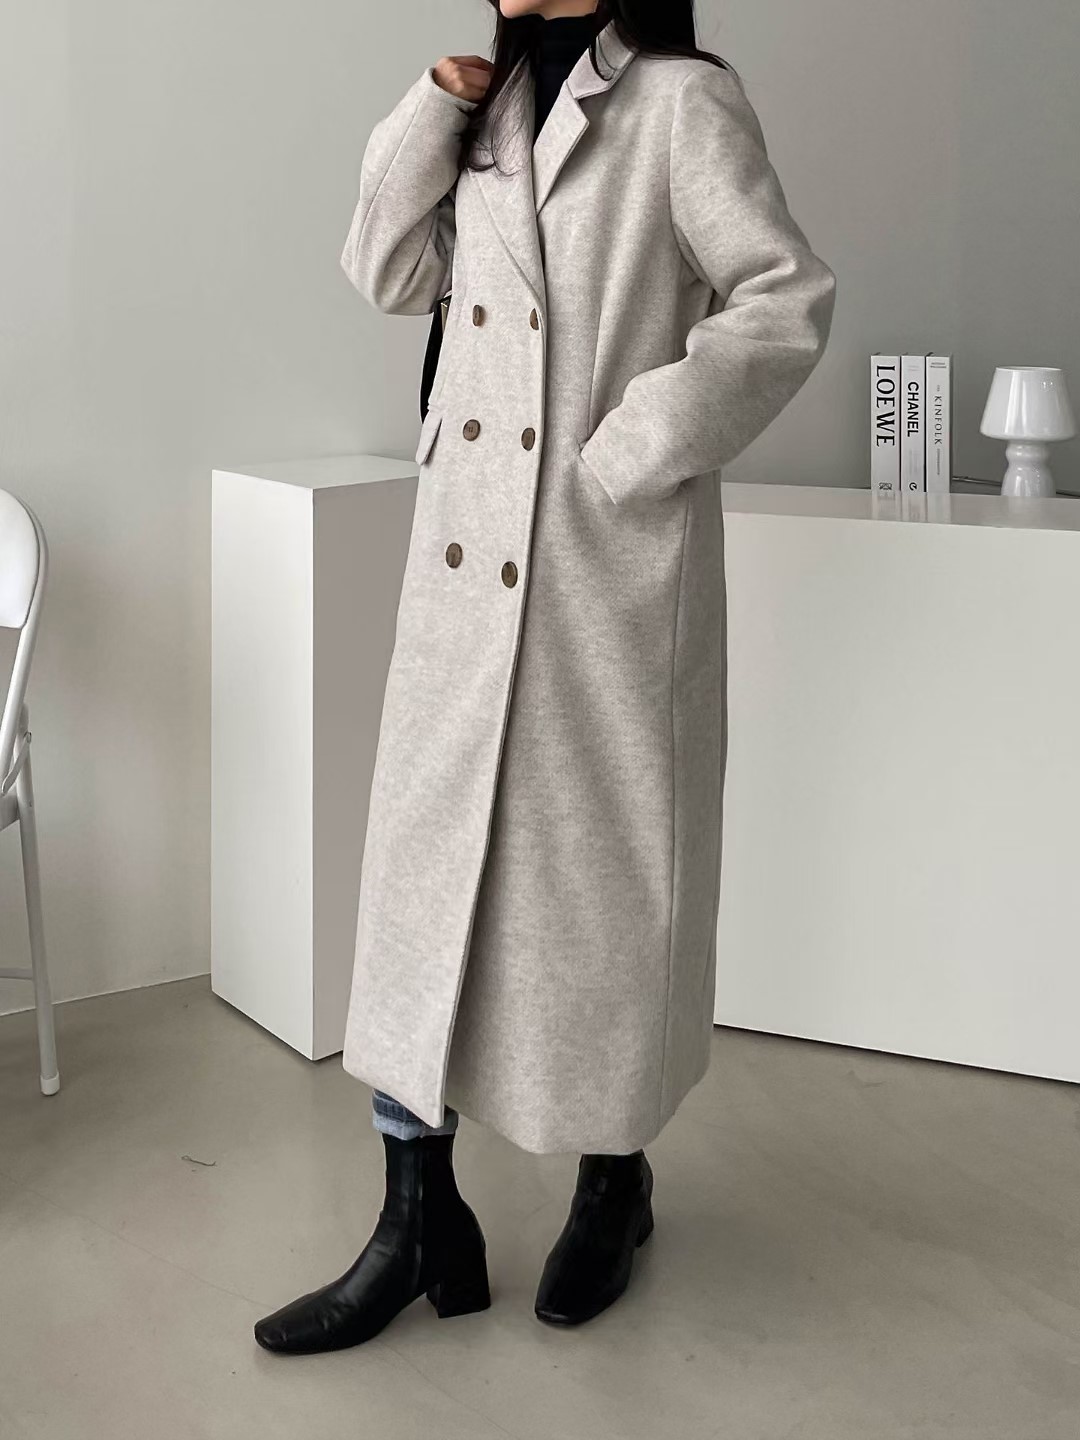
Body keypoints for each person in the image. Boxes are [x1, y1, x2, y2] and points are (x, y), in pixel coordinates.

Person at [255, 0, 836, 1355]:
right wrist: (432, 104)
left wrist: (630, 449)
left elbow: (785, 295)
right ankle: (418, 1221)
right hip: (464, 561)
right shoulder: (487, 109)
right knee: (423, 880)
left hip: (593, 564)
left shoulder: (681, 101)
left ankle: (614, 1181)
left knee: (600, 888)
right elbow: (385, 269)